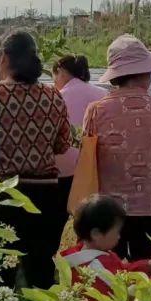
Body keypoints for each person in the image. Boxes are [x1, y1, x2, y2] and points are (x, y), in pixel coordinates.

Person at [0, 31, 71, 289]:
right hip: (46, 196)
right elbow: (62, 145)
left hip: (4, 194)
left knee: (1, 268)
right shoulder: (53, 96)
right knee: (41, 269)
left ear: (4, 58)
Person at [86, 35, 151, 261]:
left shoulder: (96, 111)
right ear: (146, 74)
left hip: (109, 212)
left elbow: (87, 162)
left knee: (110, 280)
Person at [52, 54, 107, 200]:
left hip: (63, 169)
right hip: (96, 166)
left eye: (54, 77)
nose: (54, 82)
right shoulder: (103, 94)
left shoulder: (56, 97)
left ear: (61, 72)